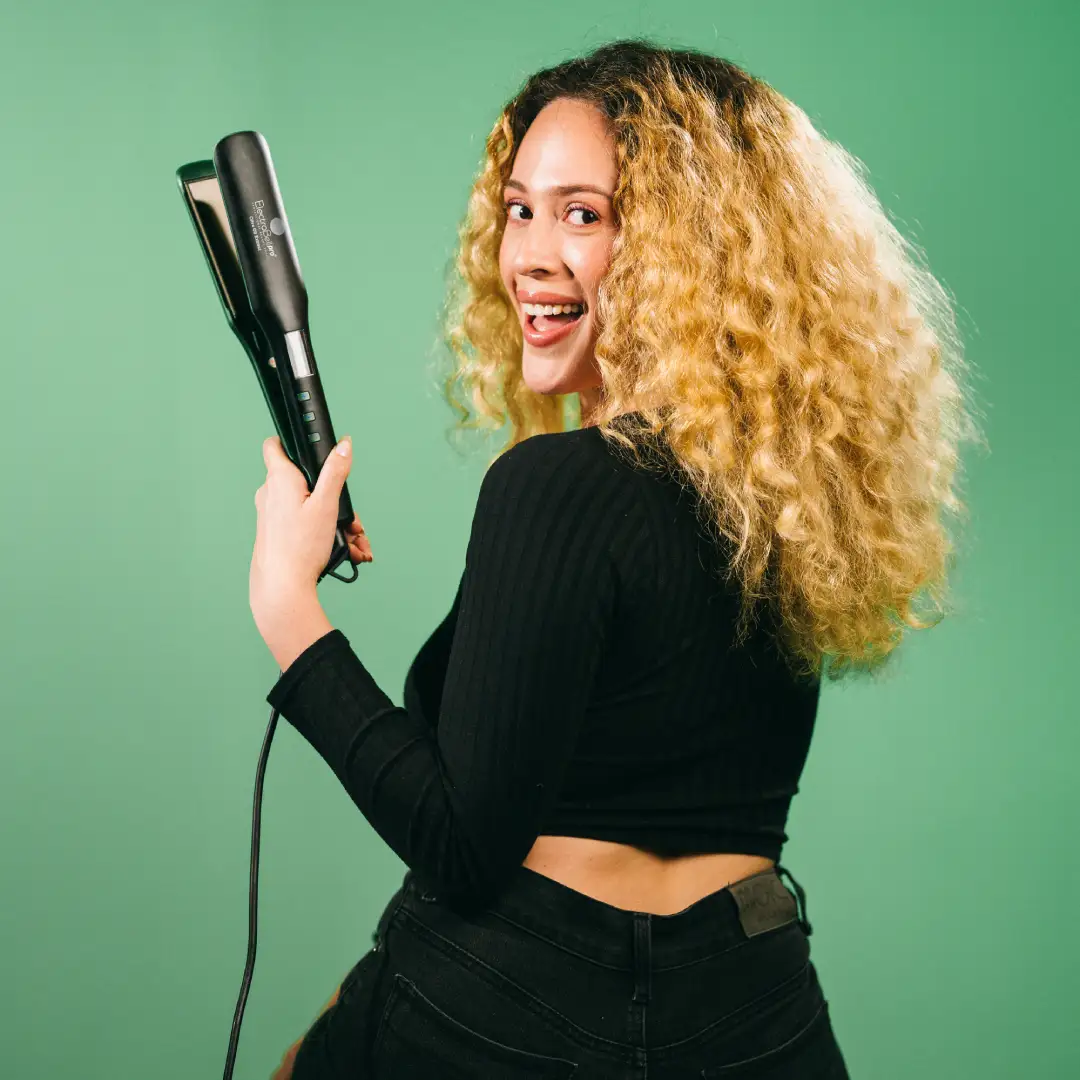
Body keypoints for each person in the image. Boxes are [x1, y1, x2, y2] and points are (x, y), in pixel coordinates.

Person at [256, 37, 979, 1080]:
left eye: (584, 215)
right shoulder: (789, 503)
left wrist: (291, 610)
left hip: (516, 994)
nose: (529, 256)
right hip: (754, 997)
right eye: (520, 210)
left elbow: (461, 848)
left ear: (692, 251)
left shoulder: (554, 483)